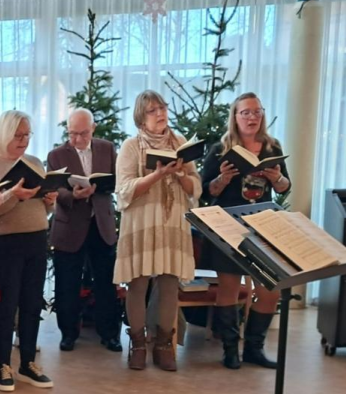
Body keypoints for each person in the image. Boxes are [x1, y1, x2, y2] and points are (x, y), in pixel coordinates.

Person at [201, 92, 290, 369]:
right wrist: (222, 178)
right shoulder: (221, 149)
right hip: (228, 224)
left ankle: (254, 348)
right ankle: (230, 350)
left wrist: (278, 179)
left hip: (262, 225)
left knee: (270, 291)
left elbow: (286, 187)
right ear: (235, 116)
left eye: (256, 112)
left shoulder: (272, 148)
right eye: (246, 112)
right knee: (228, 287)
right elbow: (206, 192)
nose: (252, 117)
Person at [114, 90, 201, 371]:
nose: (160, 113)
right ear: (141, 117)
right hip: (141, 221)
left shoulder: (181, 144)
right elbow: (124, 191)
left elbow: (195, 188)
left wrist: (178, 174)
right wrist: (158, 174)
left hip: (172, 220)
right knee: (138, 283)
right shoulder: (130, 146)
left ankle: (164, 344)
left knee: (168, 283)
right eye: (152, 110)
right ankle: (138, 343)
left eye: (162, 107)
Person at [0, 110, 55, 392]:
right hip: (5, 242)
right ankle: (3, 364)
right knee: (6, 304)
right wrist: (14, 194)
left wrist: (50, 200)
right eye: (19, 135)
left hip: (37, 238)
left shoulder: (34, 162)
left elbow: (43, 208)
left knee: (32, 303)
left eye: (28, 135)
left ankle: (28, 363)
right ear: (4, 134)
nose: (24, 140)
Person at [48, 108, 122, 353]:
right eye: (72, 134)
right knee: (67, 282)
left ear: (93, 130)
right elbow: (54, 189)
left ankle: (110, 334)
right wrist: (73, 195)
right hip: (70, 224)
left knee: (106, 282)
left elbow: (115, 180)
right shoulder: (57, 155)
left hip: (101, 222)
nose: (77, 139)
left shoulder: (107, 148)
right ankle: (68, 334)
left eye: (83, 133)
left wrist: (101, 187)